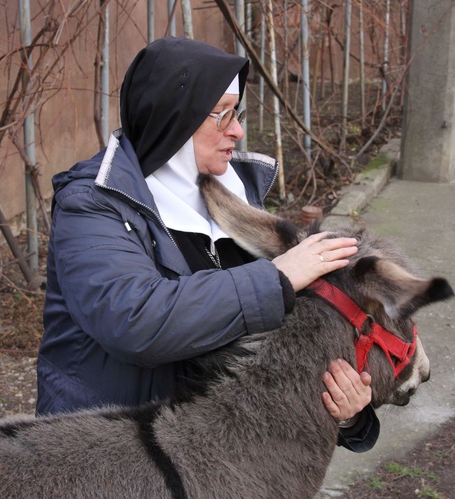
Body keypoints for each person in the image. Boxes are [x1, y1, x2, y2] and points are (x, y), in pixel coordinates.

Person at [37, 36, 379, 452]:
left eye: (237, 113)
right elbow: (134, 321)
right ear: (173, 118)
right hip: (110, 456)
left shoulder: (232, 199)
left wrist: (348, 413)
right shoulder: (92, 205)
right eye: (221, 116)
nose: (237, 131)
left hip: (212, 460)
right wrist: (279, 277)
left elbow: (273, 345)